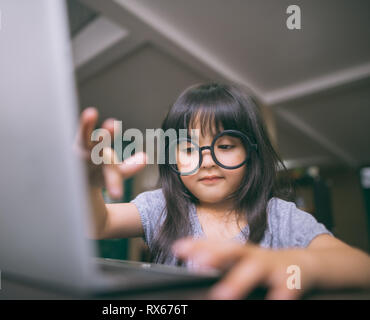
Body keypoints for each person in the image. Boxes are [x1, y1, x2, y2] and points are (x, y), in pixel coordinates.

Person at [77, 82, 370, 299]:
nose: (207, 162)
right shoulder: (161, 207)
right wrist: (89, 184)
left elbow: (361, 267)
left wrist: (300, 263)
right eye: (189, 148)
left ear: (251, 154)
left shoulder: (281, 218)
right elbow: (98, 224)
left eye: (225, 146)